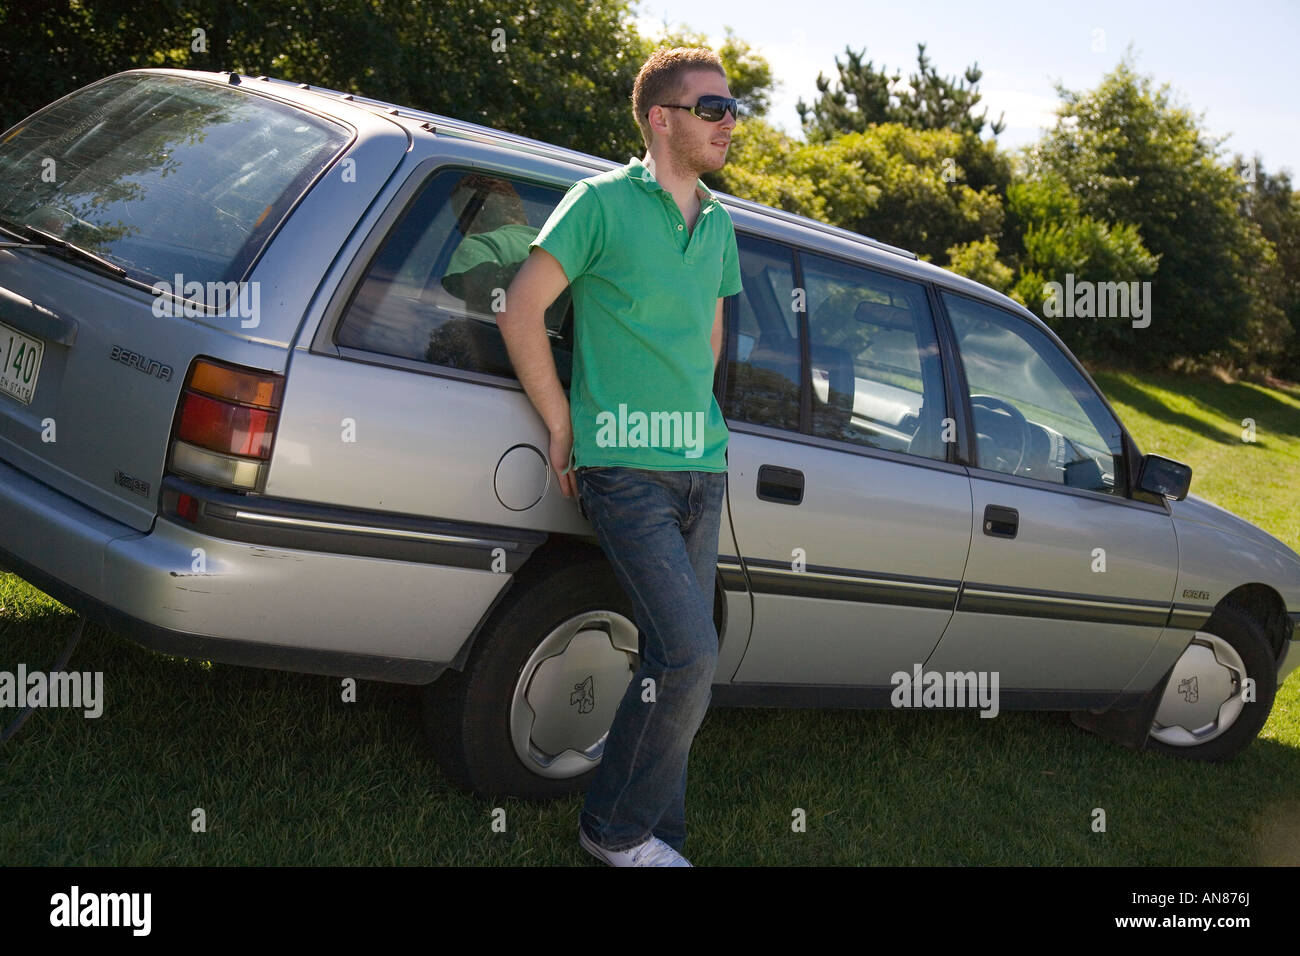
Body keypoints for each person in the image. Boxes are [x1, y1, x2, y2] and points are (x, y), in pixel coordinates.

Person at [496, 46, 742, 866]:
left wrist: (696, 426)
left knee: (682, 665)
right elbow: (521, 312)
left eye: (732, 106)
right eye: (711, 107)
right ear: (661, 117)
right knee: (690, 653)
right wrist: (565, 423)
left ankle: (656, 835)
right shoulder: (598, 203)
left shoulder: (718, 222)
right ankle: (613, 832)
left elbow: (708, 336)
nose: (728, 120)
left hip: (701, 469)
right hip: (623, 469)